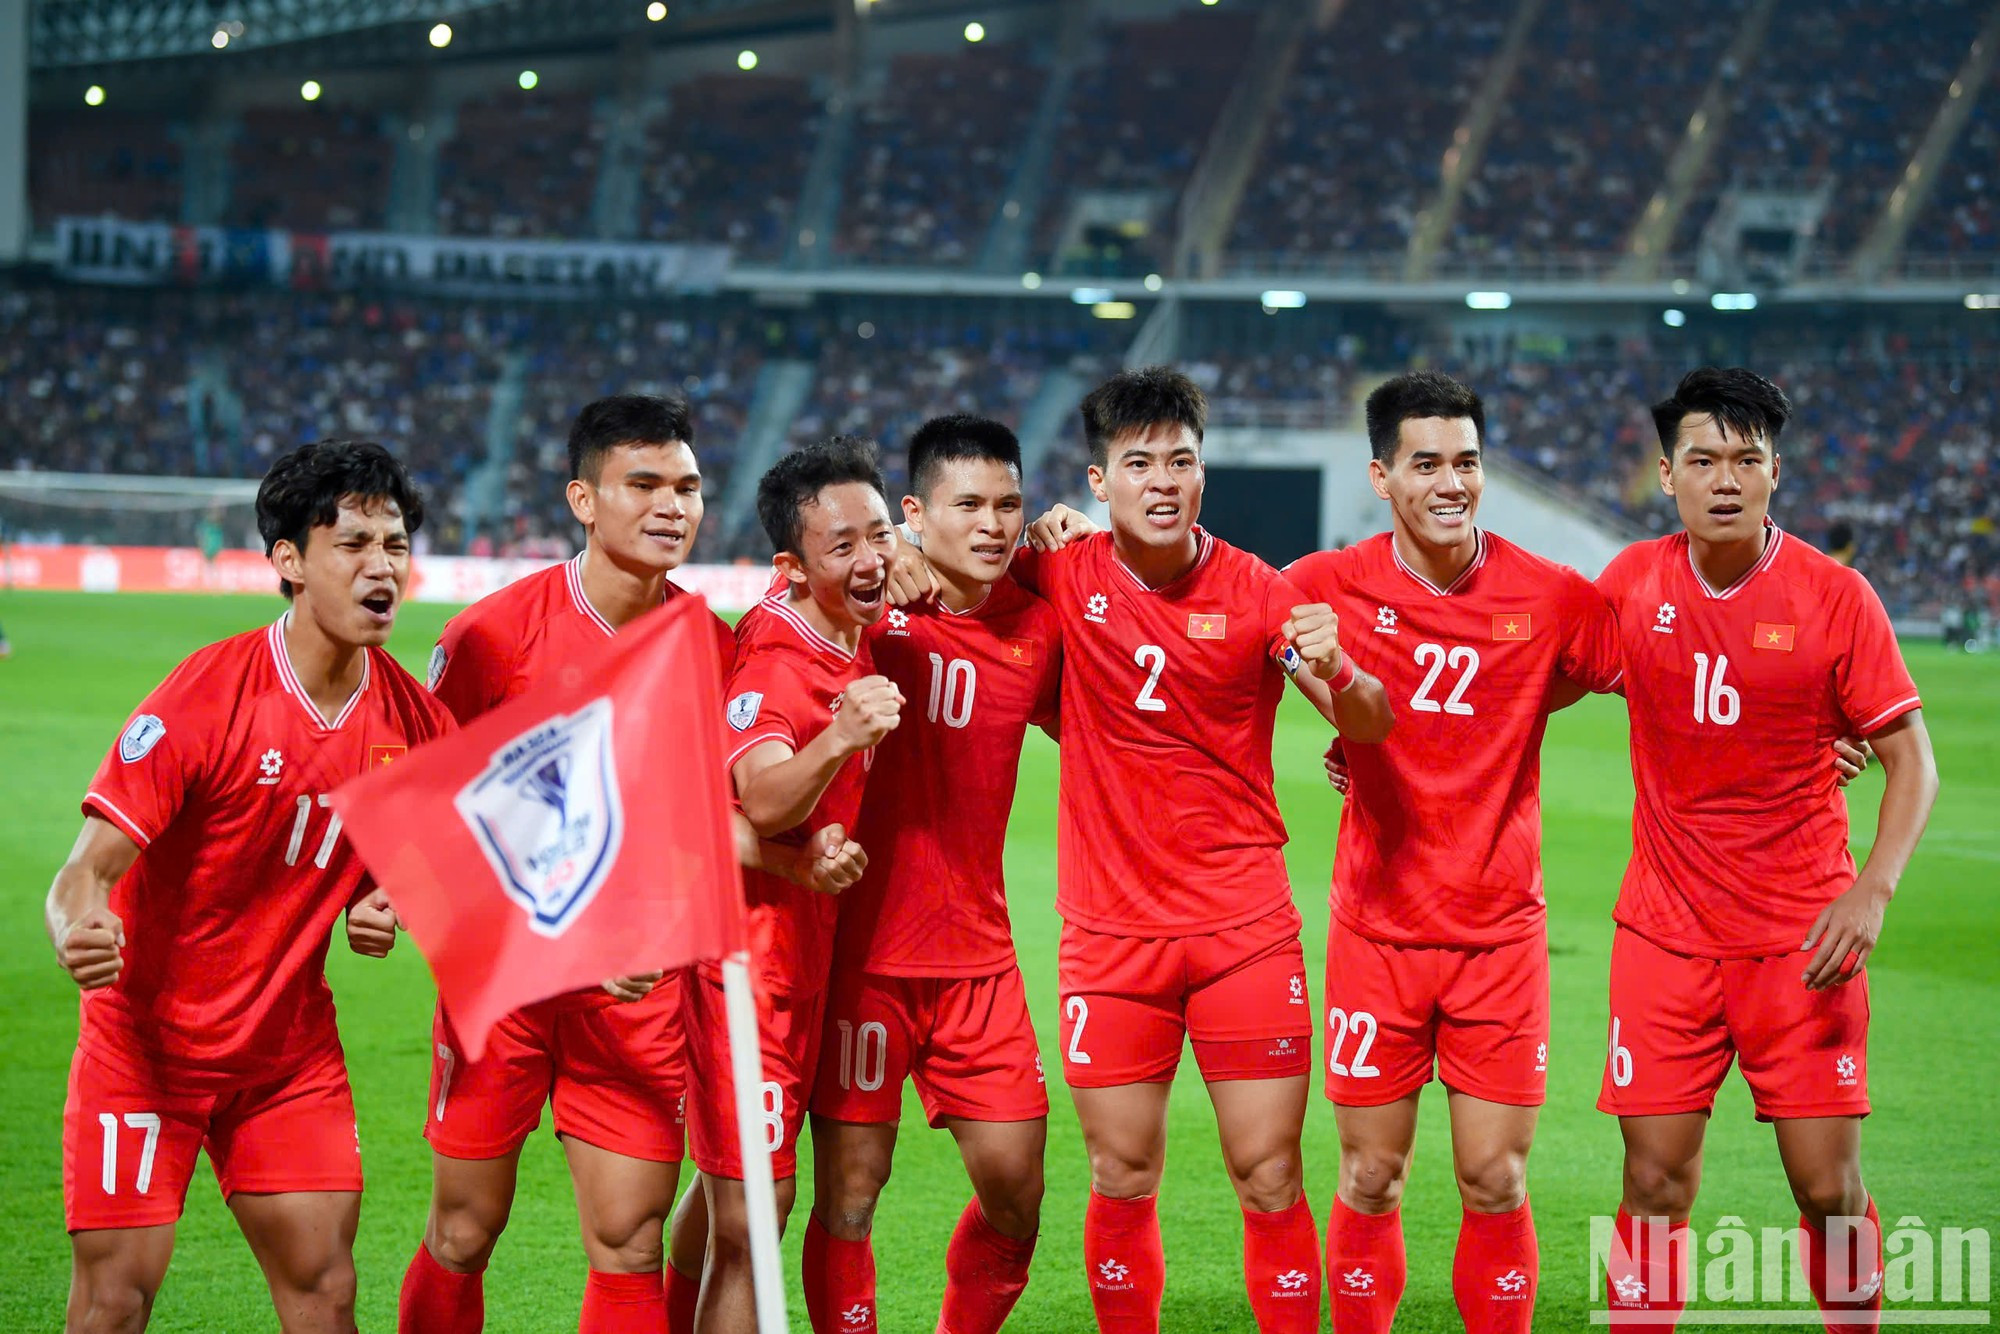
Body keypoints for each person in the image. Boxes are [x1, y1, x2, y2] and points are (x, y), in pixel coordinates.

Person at [393, 396, 866, 1334]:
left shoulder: (712, 647)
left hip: (640, 996)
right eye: (643, 484)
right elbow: (430, 825)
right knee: (464, 1229)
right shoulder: (490, 638)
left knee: (630, 1242)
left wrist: (794, 864)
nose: (671, 506)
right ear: (583, 499)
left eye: (686, 487)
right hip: (510, 985)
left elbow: (702, 819)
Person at [1001, 367, 1393, 1334]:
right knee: (1120, 1171)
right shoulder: (1059, 571)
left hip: (1242, 933)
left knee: (1268, 1174)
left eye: (1182, 460)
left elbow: (1365, 721)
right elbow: (954, 575)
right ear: (1099, 481)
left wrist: (1341, 665)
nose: (1164, 481)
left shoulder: (1260, 594)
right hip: (1109, 937)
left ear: (1204, 472)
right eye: (1140, 464)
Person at [45, 439, 454, 1334]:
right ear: (290, 561)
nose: (382, 566)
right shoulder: (208, 695)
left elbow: (424, 867)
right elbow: (84, 871)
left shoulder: (416, 722)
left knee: (325, 1290)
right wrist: (77, 925)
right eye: (353, 544)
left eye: (395, 545)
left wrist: (383, 900)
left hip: (285, 1061)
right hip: (144, 1053)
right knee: (114, 1301)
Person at [1595, 368, 1938, 1330]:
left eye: (1746, 460)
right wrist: (1367, 738)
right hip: (1663, 937)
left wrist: (1873, 889)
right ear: (1668, 474)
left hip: (1801, 941)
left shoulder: (1837, 596)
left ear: (1775, 472)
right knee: (1652, 1180)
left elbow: (1913, 761)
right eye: (1703, 460)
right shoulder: (1631, 583)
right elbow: (1521, 680)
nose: (1725, 480)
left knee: (1827, 1189)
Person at [1284, 371, 1625, 1334]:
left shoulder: (1549, 595)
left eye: (1467, 463)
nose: (1451, 483)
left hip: (1498, 937)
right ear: (1381, 477)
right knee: (1370, 1174)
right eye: (1426, 463)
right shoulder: (1322, 585)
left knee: (1495, 1176)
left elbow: (1670, 673)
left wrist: (1811, 736)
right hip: (1376, 931)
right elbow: (1201, 614)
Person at [799, 415, 1061, 1334]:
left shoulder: (1039, 621)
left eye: (1009, 505)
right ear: (914, 513)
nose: (993, 524)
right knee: (850, 1195)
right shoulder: (865, 608)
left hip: (980, 962)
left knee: (1017, 1193)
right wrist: (882, 562)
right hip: (864, 957)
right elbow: (793, 597)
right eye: (969, 506)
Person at [671, 435, 903, 1334]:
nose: (870, 558)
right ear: (791, 567)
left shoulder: (834, 620)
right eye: (842, 546)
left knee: (729, 1192)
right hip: (747, 972)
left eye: (878, 534)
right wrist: (841, 736)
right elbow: (761, 797)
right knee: (755, 1223)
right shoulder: (777, 664)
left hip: (800, 955)